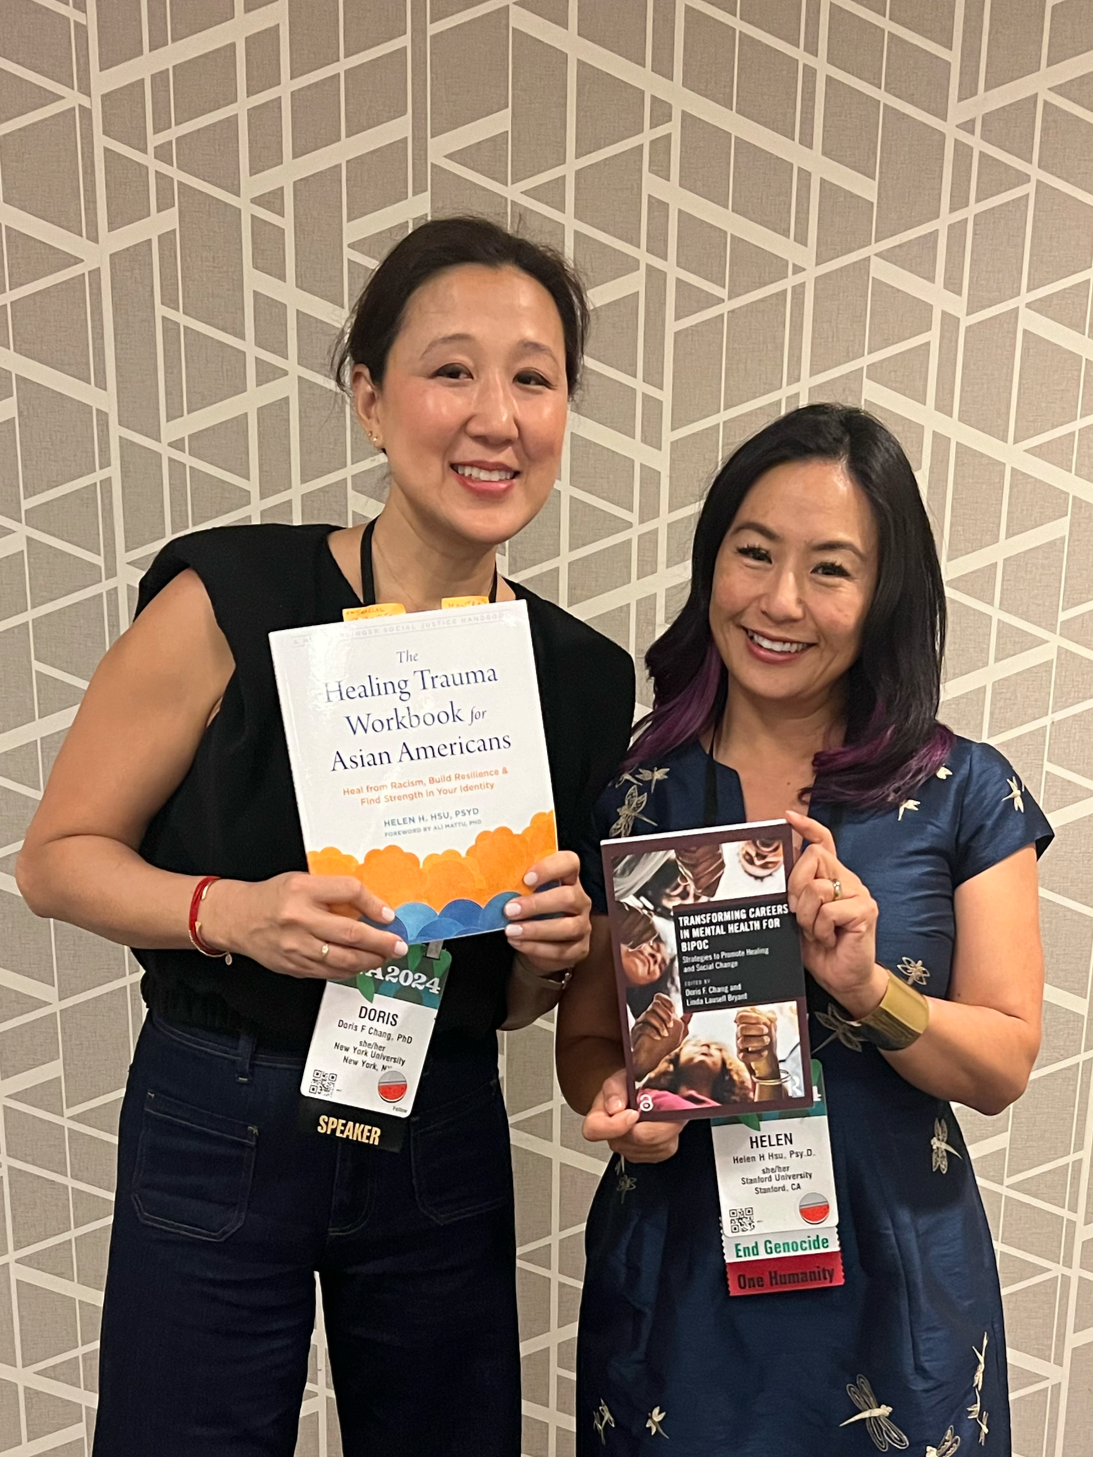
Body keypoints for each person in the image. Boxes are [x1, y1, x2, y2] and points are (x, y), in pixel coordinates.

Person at [16, 217, 635, 1457]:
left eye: (533, 378)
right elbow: (55, 857)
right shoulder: (228, 600)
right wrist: (234, 913)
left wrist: (548, 951)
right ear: (368, 397)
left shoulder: (578, 675)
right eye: (450, 369)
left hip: (437, 1111)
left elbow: (516, 1001)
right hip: (219, 1103)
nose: (496, 417)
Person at [556, 404, 1050, 1455]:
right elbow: (590, 1039)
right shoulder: (638, 796)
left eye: (830, 569)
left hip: (897, 1292)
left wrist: (869, 988)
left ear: (884, 596)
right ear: (711, 562)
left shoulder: (962, 790)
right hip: (677, 1287)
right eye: (753, 552)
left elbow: (1003, 1062)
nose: (779, 600)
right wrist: (620, 1103)